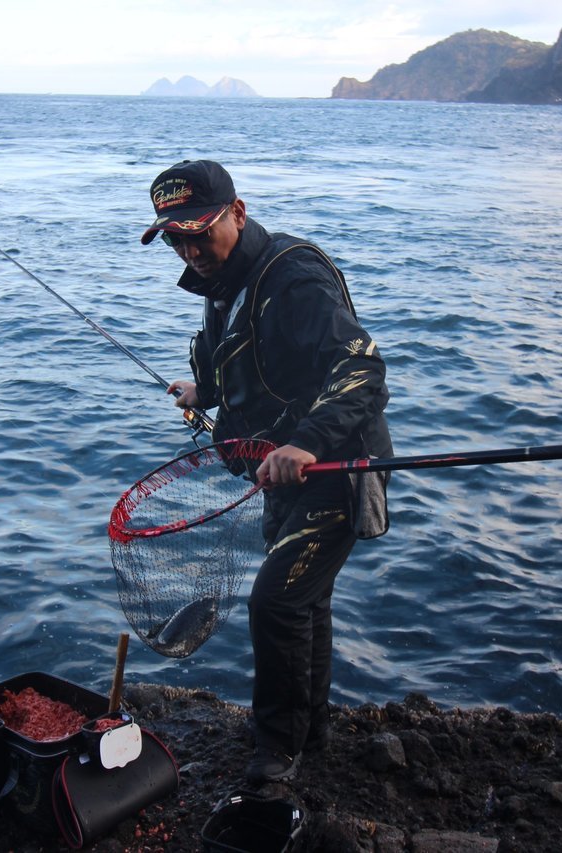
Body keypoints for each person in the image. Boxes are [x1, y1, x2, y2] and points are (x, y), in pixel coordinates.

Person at [140, 160, 392, 784]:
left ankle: (275, 754)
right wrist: (207, 390)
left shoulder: (294, 277)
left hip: (335, 465)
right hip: (281, 472)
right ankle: (312, 731)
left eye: (200, 231)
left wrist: (306, 443)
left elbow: (362, 368)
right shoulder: (227, 281)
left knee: (276, 603)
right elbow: (261, 363)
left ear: (239, 212)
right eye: (175, 236)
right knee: (305, 601)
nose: (190, 248)